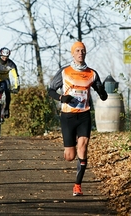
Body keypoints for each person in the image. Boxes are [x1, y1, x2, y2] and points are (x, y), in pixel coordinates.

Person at [48, 41, 108, 196]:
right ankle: (70, 146)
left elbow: (103, 96)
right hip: (67, 116)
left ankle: (77, 185)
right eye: (77, 51)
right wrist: (62, 98)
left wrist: (102, 91)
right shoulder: (65, 72)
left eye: (83, 51)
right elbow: (50, 90)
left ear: (85, 53)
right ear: (72, 54)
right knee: (70, 156)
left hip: (84, 115)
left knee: (83, 146)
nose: (80, 53)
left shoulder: (92, 73)